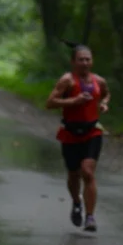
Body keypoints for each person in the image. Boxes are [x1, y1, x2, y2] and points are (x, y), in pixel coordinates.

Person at [45, 45, 110, 232]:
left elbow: (106, 95)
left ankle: (90, 217)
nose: (85, 62)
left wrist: (104, 104)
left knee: (87, 171)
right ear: (73, 61)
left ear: (92, 61)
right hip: (70, 132)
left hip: (92, 131)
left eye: (88, 59)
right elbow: (50, 102)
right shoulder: (67, 80)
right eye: (81, 59)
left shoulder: (99, 81)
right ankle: (76, 202)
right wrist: (74, 101)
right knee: (73, 173)